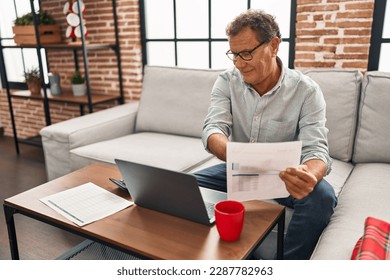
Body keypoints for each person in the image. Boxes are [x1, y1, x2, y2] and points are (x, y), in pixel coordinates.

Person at [194, 9, 337, 260]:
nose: (239, 64)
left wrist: (309, 174)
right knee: (185, 188)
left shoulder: (306, 91)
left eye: (247, 53)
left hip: (284, 176)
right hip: (238, 169)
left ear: (273, 46)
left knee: (322, 197)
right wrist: (234, 154)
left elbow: (317, 150)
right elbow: (213, 128)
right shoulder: (227, 81)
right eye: (234, 55)